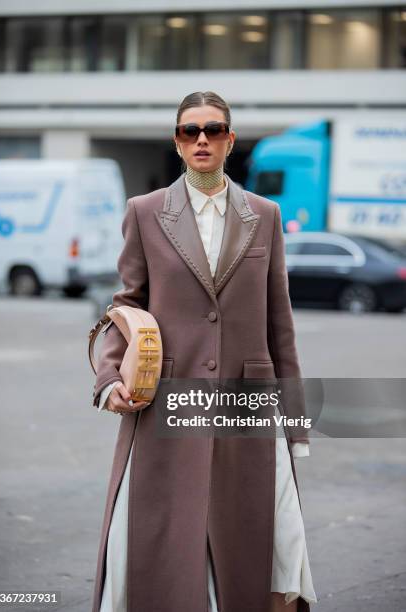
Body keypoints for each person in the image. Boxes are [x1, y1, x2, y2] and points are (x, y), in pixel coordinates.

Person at [91, 91, 318, 612]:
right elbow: (126, 305)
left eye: (213, 130)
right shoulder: (145, 212)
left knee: (262, 539)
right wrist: (108, 378)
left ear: (229, 140)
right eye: (190, 131)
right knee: (165, 538)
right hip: (169, 399)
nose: (201, 139)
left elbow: (279, 323)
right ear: (176, 142)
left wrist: (295, 421)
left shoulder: (265, 214)